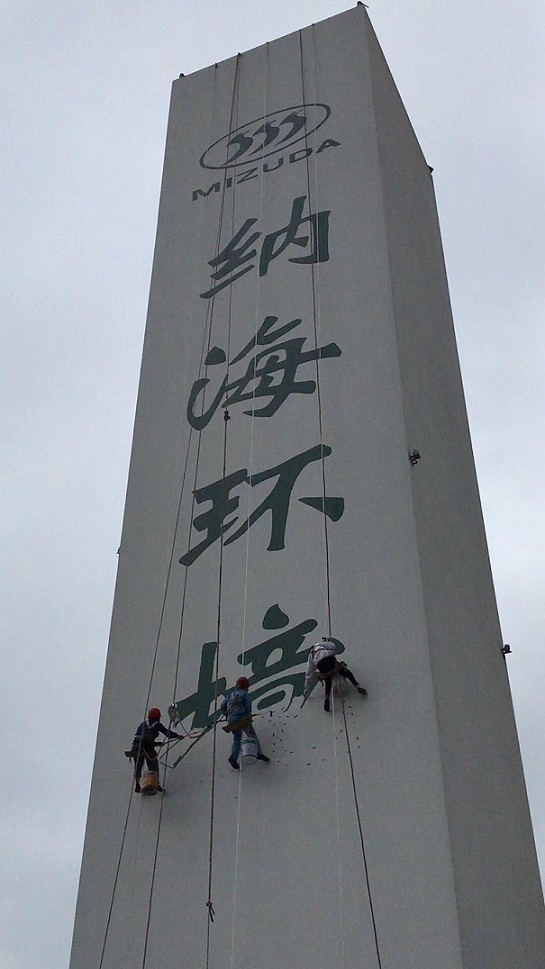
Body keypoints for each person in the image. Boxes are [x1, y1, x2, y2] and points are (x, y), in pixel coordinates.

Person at [304, 637, 367, 712]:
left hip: (320, 664)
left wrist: (307, 688)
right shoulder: (319, 644)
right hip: (328, 658)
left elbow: (309, 673)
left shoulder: (310, 657)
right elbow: (333, 646)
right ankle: (357, 686)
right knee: (345, 672)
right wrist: (333, 652)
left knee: (328, 681)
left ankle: (327, 697)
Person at [220, 676, 270, 770]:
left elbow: (222, 705)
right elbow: (248, 705)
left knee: (237, 738)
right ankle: (258, 753)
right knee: (251, 735)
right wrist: (248, 714)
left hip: (231, 720)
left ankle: (233, 757)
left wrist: (226, 714)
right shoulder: (244, 694)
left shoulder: (230, 695)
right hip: (241, 718)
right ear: (245, 686)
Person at [130, 707, 183, 793]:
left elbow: (142, 738)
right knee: (153, 765)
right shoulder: (157, 725)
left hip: (136, 748)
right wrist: (177, 736)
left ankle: (137, 785)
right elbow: (168, 734)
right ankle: (155, 784)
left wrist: (157, 743)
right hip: (147, 749)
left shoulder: (142, 724)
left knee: (138, 765)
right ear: (157, 717)